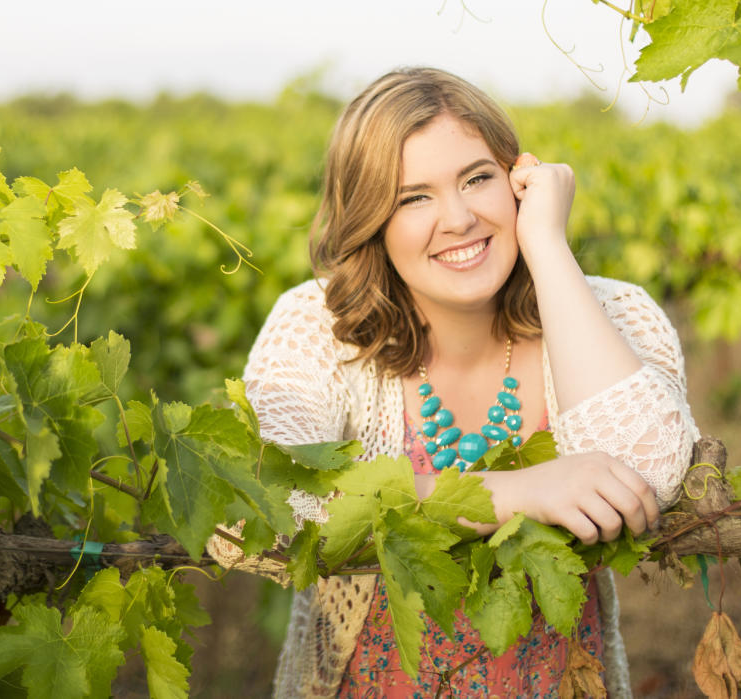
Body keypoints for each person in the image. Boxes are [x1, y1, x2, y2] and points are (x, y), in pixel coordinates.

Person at [240, 67, 698, 697]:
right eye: (413, 197)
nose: (457, 218)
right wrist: (517, 493)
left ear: (519, 181)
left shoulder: (612, 313)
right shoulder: (317, 327)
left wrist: (546, 243)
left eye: (478, 179)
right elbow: (277, 508)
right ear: (370, 218)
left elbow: (652, 471)